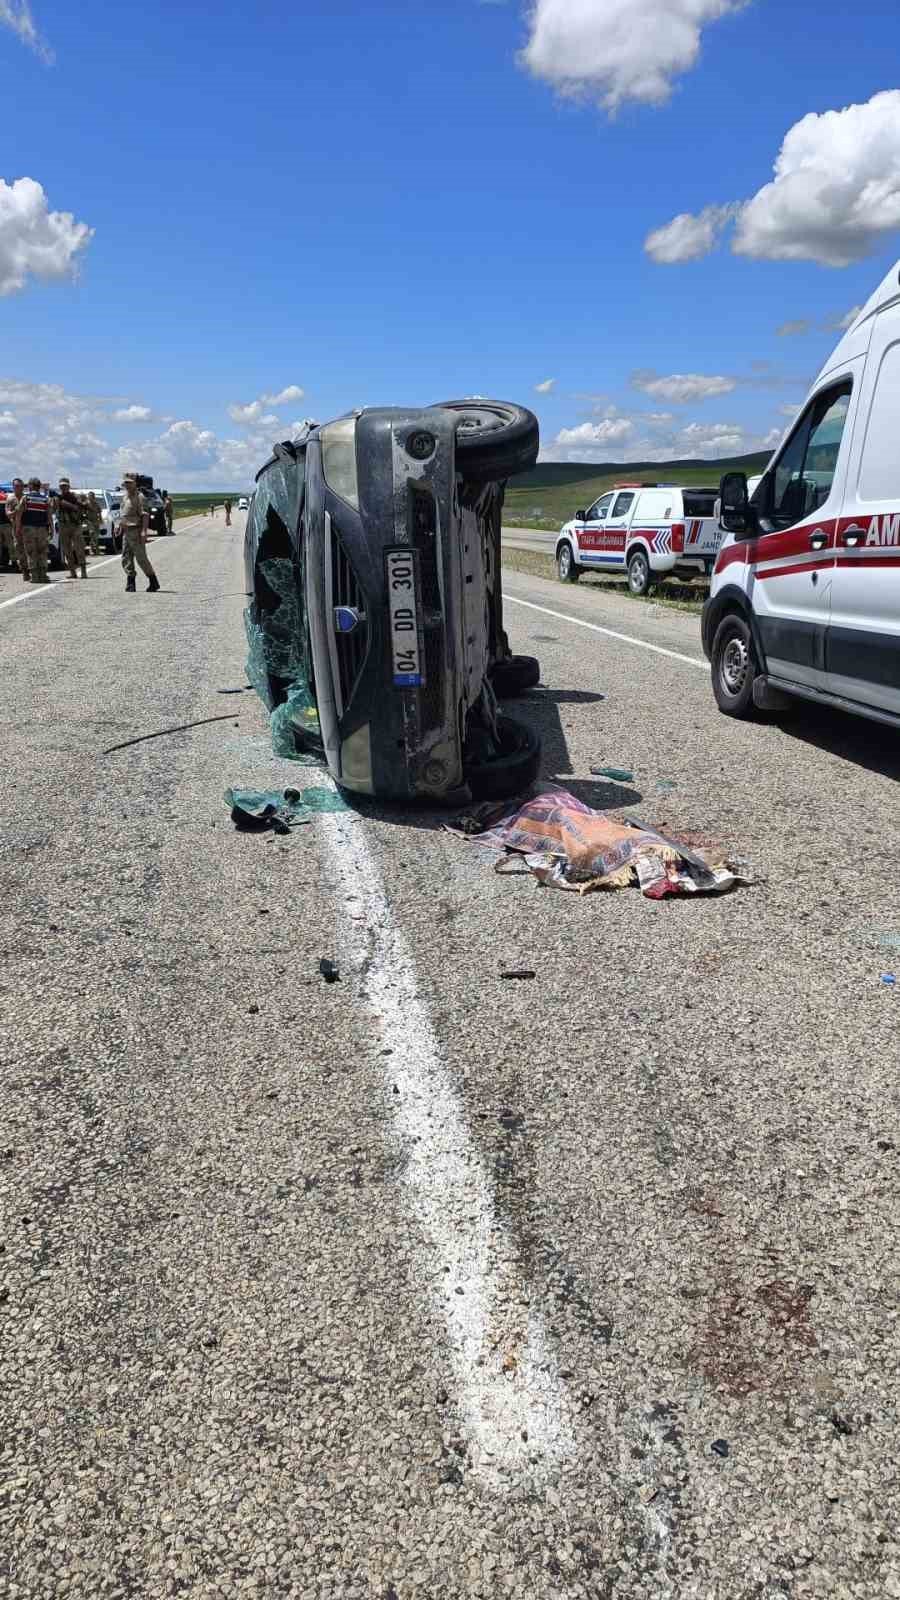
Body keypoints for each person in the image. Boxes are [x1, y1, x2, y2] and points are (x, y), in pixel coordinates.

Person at [119, 472, 160, 593]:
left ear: (135, 483)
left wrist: (144, 532)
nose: (127, 485)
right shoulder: (125, 497)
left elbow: (145, 515)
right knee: (126, 558)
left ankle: (153, 581)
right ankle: (131, 582)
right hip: (126, 531)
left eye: (130, 483)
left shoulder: (140, 497)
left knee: (141, 558)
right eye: (126, 482)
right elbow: (123, 514)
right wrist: (119, 525)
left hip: (136, 531)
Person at [12, 479, 53, 583]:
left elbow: (19, 514)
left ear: (30, 486)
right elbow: (49, 516)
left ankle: (34, 576)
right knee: (42, 551)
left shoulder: (26, 498)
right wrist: (51, 529)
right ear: (39, 487)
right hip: (42, 529)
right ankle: (43, 575)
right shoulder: (45, 499)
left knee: (31, 552)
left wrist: (17, 528)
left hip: (28, 529)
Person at [55, 477, 88, 579]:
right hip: (63, 525)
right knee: (66, 549)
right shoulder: (58, 497)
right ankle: (72, 572)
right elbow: (53, 509)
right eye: (61, 486)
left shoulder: (75, 497)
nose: (63, 487)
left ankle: (83, 571)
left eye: (65, 485)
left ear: (69, 486)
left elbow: (83, 506)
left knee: (79, 548)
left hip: (75, 525)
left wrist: (70, 505)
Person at [3, 477, 30, 579]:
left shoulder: (27, 498)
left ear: (23, 487)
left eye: (19, 486)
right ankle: (25, 571)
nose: (17, 488)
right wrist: (17, 510)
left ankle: (32, 570)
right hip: (16, 529)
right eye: (15, 486)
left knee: (30, 550)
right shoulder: (10, 499)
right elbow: (8, 514)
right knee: (19, 550)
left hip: (28, 528)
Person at [83, 492, 103, 556]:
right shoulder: (86, 504)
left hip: (96, 521)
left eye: (92, 496)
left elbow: (99, 512)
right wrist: (85, 520)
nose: (91, 497)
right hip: (89, 521)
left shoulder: (96, 504)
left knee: (96, 536)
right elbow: (83, 513)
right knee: (92, 534)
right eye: (89, 496)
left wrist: (100, 519)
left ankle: (97, 550)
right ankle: (92, 549)